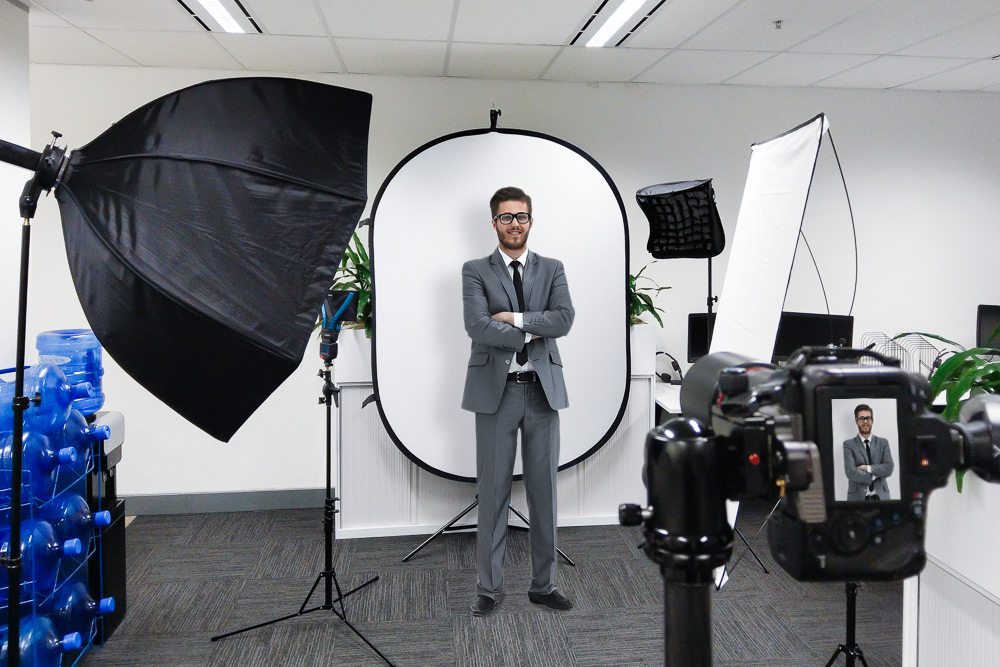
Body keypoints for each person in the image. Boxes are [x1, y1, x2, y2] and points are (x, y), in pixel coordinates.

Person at [461, 186, 575, 616]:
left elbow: (564, 320)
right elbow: (477, 326)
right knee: (493, 493)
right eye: (506, 217)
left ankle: (543, 585)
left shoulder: (552, 268)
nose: (515, 224)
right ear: (494, 223)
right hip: (498, 393)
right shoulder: (475, 270)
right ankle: (488, 589)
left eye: (521, 216)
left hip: (542, 391)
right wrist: (535, 328)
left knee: (544, 492)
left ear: (531, 220)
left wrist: (513, 319)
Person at [843, 404, 893, 501]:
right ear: (856, 421)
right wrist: (876, 474)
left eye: (868, 418)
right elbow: (851, 472)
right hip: (858, 498)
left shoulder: (883, 443)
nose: (865, 422)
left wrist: (867, 468)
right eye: (861, 419)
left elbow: (889, 468)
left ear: (872, 420)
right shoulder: (848, 444)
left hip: (881, 497)